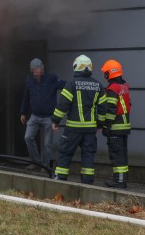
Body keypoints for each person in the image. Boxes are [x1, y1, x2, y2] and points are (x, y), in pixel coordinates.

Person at [51, 55, 104, 184]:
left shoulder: (72, 84)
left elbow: (63, 104)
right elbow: (103, 108)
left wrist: (55, 120)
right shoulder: (98, 85)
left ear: (76, 67)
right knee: (88, 154)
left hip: (73, 128)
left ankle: (60, 179)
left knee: (65, 152)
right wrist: (100, 124)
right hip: (90, 129)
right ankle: (87, 181)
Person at [19, 58, 65, 171]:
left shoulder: (52, 78)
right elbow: (26, 97)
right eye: (35, 69)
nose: (37, 71)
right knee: (28, 137)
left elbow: (66, 86)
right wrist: (23, 113)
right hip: (34, 116)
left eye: (39, 69)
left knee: (47, 145)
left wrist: (76, 85)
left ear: (43, 69)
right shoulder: (29, 81)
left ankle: (44, 166)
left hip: (49, 117)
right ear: (32, 70)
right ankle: (36, 162)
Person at [99, 59, 132, 189]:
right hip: (124, 126)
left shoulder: (112, 88)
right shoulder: (124, 86)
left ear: (109, 73)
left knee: (116, 155)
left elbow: (111, 109)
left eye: (105, 72)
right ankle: (122, 179)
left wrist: (106, 125)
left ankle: (119, 181)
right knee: (122, 154)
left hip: (115, 127)